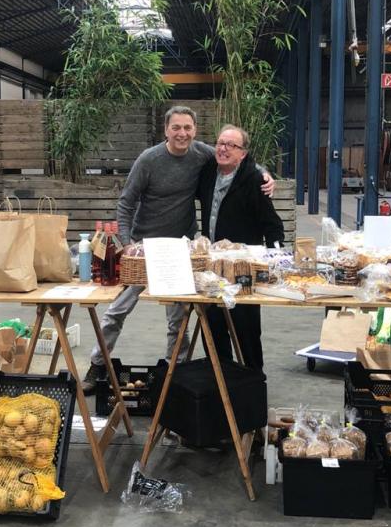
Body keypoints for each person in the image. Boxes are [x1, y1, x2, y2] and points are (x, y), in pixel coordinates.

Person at [82, 106, 275, 393]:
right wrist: (128, 244)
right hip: (144, 248)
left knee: (178, 319)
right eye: (176, 127)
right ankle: (97, 363)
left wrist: (264, 174)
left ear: (194, 130)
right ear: (166, 130)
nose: (182, 133)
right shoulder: (149, 160)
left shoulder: (202, 153)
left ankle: (174, 370)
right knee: (117, 310)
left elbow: (237, 158)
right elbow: (126, 203)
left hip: (179, 251)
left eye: (187, 127)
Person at [197, 124, 284, 372]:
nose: (223, 149)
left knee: (245, 328)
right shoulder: (207, 172)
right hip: (213, 268)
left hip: (243, 270)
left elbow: (272, 224)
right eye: (220, 143)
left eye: (231, 145)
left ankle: (253, 379)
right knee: (212, 326)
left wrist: (277, 259)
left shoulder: (254, 180)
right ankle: (222, 378)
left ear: (243, 153)